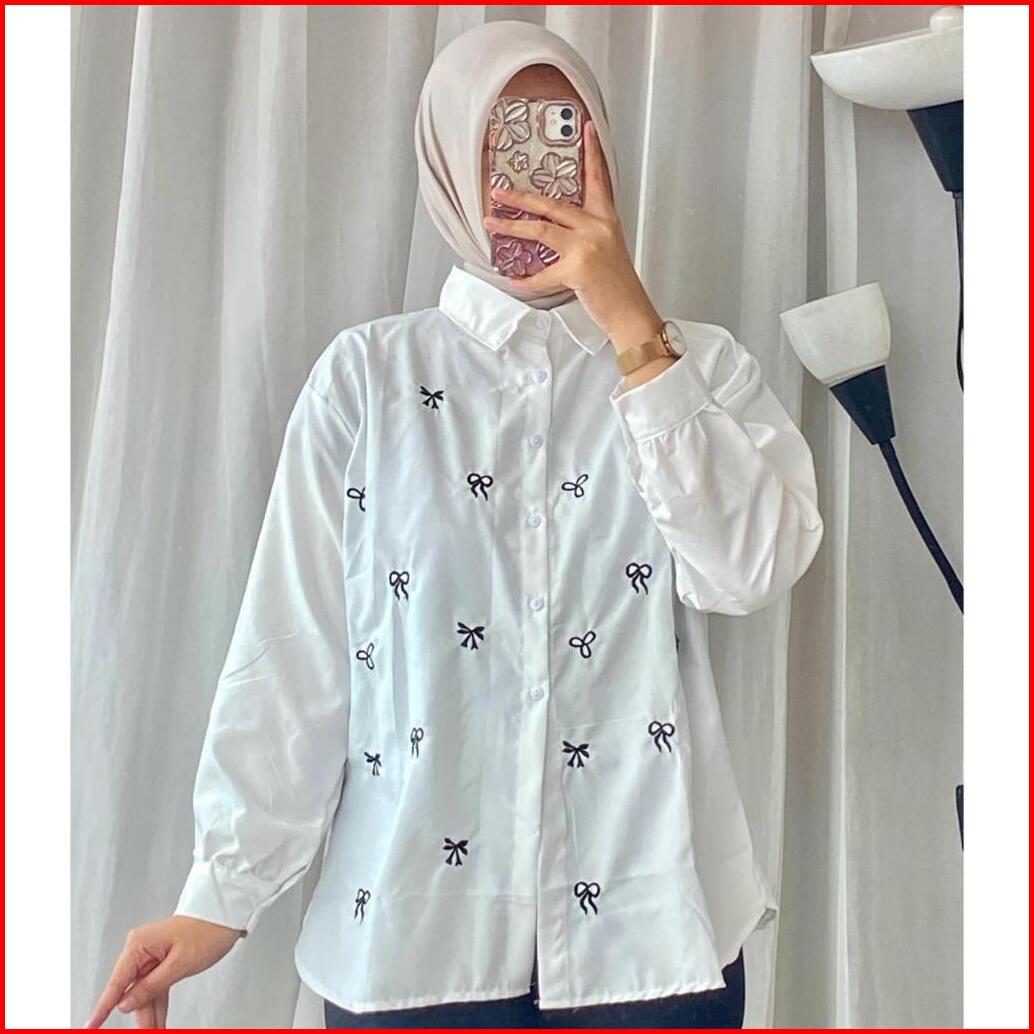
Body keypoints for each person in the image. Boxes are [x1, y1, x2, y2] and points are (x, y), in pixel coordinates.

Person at [86, 21, 823, 1031]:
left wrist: (635, 337)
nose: (526, 179)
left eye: (556, 135)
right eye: (495, 146)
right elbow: (296, 642)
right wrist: (220, 891)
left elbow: (748, 569)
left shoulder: (701, 370)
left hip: (652, 942)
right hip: (411, 941)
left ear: (601, 152)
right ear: (443, 164)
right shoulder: (367, 380)